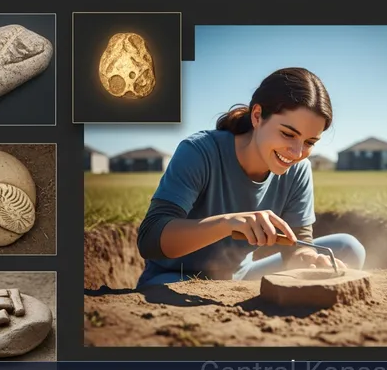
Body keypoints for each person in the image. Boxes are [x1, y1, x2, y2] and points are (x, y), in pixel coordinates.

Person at [135, 67, 366, 288]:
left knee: (348, 248)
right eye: (287, 134)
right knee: (175, 289)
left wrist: (306, 257)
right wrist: (228, 223)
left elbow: (298, 242)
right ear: (257, 116)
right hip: (173, 277)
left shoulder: (299, 169)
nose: (297, 153)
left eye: (309, 143)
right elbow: (150, 239)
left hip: (240, 277)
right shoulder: (199, 152)